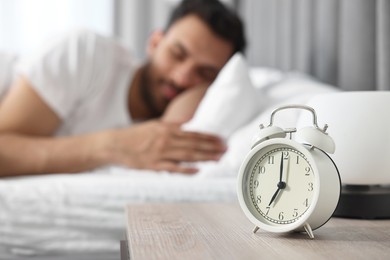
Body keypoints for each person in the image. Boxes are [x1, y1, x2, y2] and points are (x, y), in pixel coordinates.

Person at [0, 0, 246, 177]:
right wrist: (112, 145)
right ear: (154, 43)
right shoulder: (85, 53)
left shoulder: (167, 128)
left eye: (204, 73)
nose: (182, 78)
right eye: (177, 54)